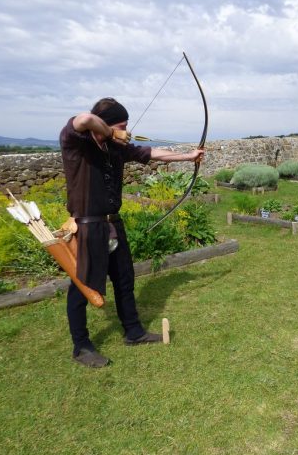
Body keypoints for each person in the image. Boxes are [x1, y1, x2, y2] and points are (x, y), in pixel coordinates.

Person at [59, 97, 204, 368]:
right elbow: (85, 119)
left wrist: (189, 156)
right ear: (108, 125)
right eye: (121, 125)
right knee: (82, 288)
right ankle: (81, 346)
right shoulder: (76, 142)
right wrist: (110, 130)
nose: (126, 131)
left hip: (113, 224)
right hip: (88, 227)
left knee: (125, 280)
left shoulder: (116, 148)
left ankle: (133, 332)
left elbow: (151, 154)